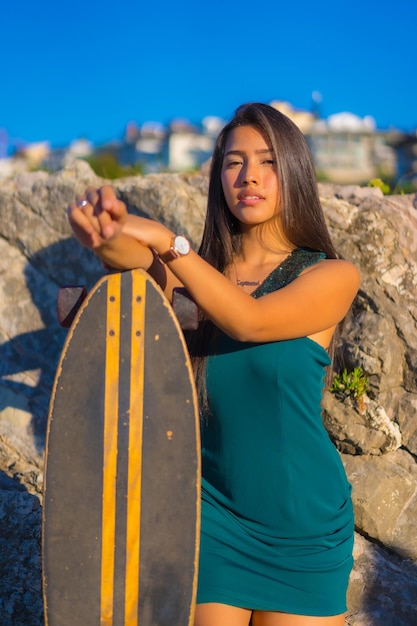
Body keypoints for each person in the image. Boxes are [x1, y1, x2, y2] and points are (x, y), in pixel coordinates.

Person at [68, 102, 360, 626]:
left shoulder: (332, 275)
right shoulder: (203, 275)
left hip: (304, 528)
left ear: (293, 170)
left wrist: (165, 240)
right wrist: (108, 230)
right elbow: (137, 264)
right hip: (211, 515)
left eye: (267, 161)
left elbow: (247, 320)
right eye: (233, 162)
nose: (249, 176)